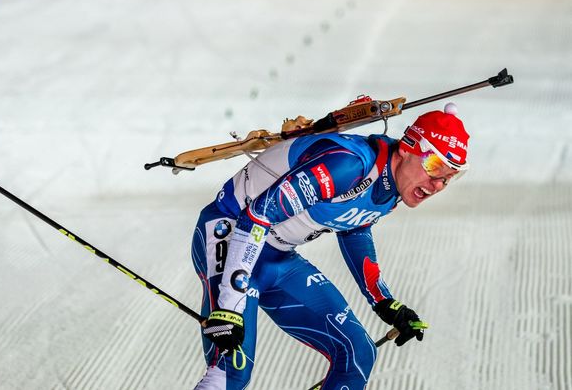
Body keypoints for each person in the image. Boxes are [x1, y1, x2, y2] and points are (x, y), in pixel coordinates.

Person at [190, 103, 470, 389]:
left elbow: (355, 226)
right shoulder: (347, 166)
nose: (437, 184)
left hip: (274, 255)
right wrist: (229, 307)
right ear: (407, 147)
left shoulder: (391, 188)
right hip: (230, 233)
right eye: (434, 166)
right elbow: (257, 216)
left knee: (358, 353)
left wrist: (383, 301)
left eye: (450, 177)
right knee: (232, 369)